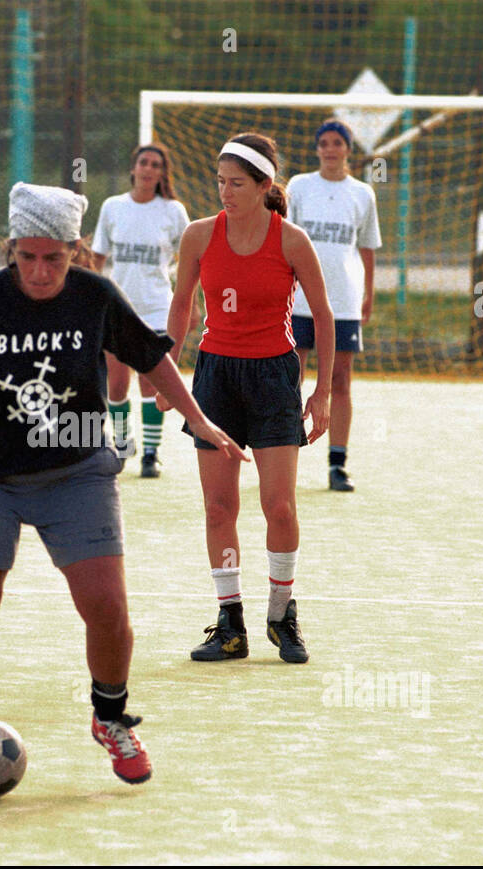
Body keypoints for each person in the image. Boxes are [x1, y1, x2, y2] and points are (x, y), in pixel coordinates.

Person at [0, 181, 247, 789]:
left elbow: (150, 356)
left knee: (108, 610)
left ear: (77, 251)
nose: (40, 271)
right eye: (27, 256)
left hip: (77, 473)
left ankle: (111, 718)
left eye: (54, 258)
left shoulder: (95, 297)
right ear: (10, 248)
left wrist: (196, 419)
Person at [160, 132, 334, 664]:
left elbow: (323, 318)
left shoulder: (291, 241)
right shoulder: (197, 236)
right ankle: (229, 622)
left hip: (274, 377)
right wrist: (163, 372)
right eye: (219, 181)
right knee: (219, 506)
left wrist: (322, 392)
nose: (225, 191)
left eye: (237, 183)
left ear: (264, 186)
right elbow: (183, 305)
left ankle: (282, 613)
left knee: (278, 505)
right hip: (216, 377)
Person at [287, 119, 382, 491]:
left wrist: (368, 294)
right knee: (291, 377)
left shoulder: (362, 194)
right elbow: (283, 238)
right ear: (317, 149)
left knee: (340, 380)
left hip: (342, 301)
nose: (330, 149)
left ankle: (337, 464)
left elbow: (367, 248)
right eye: (323, 142)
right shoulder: (299, 186)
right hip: (298, 300)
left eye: (337, 143)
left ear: (347, 149)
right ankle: (285, 455)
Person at [92, 143, 196, 478]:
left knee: (151, 386)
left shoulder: (173, 211)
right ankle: (123, 445)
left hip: (157, 310)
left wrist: (193, 302)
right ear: (133, 168)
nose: (149, 169)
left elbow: (192, 260)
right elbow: (98, 258)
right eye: (144, 163)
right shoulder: (113, 207)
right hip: (119, 311)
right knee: (117, 386)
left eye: (156, 165)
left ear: (162, 173)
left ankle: (151, 454)